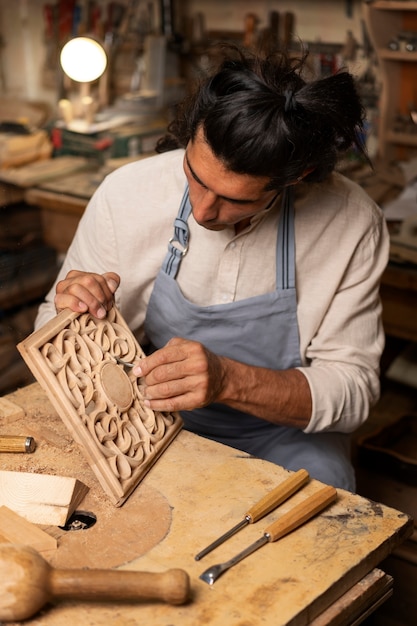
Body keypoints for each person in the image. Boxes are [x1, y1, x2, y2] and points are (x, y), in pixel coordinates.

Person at [35, 44, 389, 491]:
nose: (202, 212)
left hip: (285, 437)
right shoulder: (127, 194)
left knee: (327, 513)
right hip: (148, 425)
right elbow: (48, 324)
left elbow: (353, 392)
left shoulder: (351, 220)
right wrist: (71, 315)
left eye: (235, 200)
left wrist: (229, 380)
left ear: (295, 178)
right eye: (194, 177)